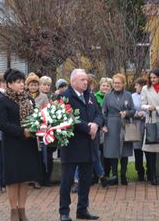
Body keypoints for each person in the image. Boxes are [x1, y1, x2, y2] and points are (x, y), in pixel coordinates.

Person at [0, 69, 42, 221]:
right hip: (12, 143)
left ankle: (22, 209)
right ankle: (13, 210)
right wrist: (23, 131)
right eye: (18, 82)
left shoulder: (29, 99)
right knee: (13, 178)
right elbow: (2, 124)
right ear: (9, 84)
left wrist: (37, 128)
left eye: (23, 81)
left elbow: (35, 117)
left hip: (28, 144)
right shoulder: (2, 101)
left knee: (24, 178)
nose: (22, 84)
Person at [59, 69, 102, 221]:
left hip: (89, 144)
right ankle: (64, 212)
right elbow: (67, 118)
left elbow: (99, 113)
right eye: (83, 79)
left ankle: (82, 210)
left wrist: (96, 124)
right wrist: (87, 127)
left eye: (86, 79)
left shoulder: (90, 95)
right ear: (74, 82)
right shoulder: (64, 96)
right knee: (67, 181)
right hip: (71, 145)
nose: (86, 82)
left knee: (85, 180)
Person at [101, 74, 135, 186]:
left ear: (123, 84)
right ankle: (114, 175)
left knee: (124, 151)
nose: (116, 85)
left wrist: (127, 113)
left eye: (118, 83)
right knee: (112, 151)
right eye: (115, 83)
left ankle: (123, 175)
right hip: (111, 124)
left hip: (124, 124)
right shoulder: (107, 96)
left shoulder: (128, 95)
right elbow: (103, 112)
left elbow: (133, 110)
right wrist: (104, 126)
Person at [131, 77, 148, 181]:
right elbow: (129, 109)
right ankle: (140, 171)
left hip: (147, 124)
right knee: (137, 149)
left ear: (142, 86)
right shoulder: (132, 96)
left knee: (148, 149)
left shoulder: (148, 94)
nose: (135, 87)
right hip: (136, 124)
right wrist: (136, 114)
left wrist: (144, 113)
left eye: (136, 85)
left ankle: (150, 170)